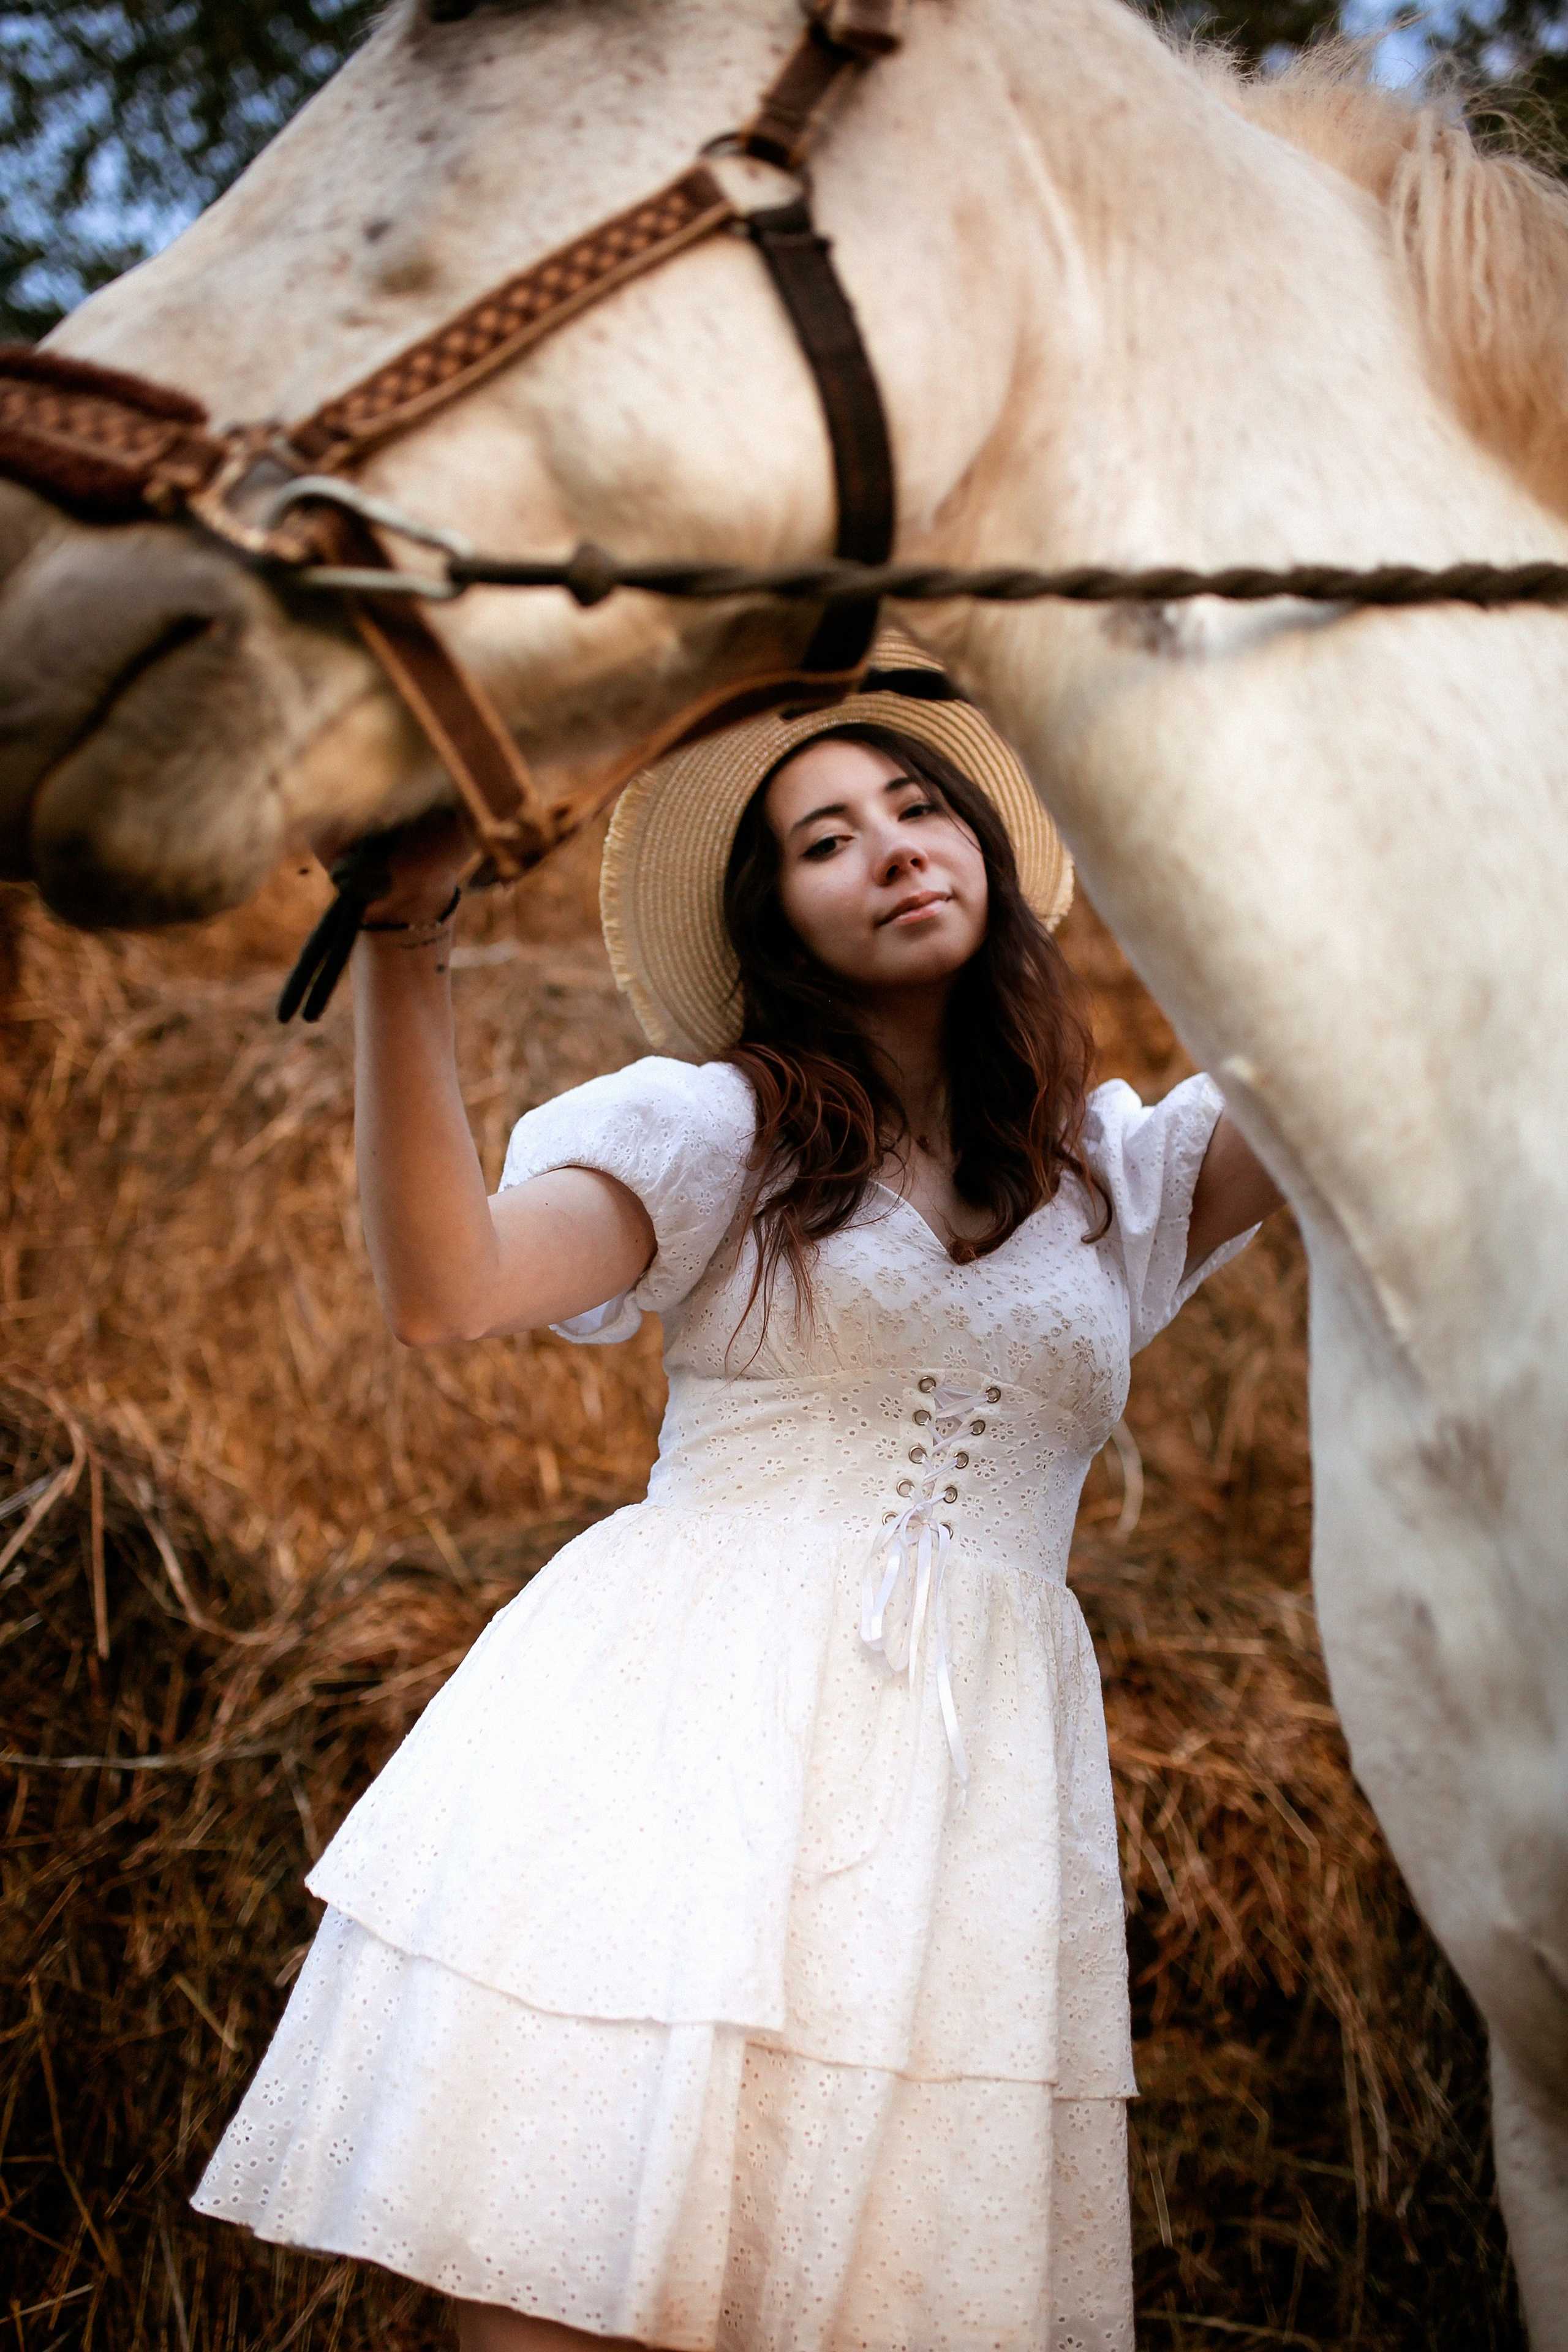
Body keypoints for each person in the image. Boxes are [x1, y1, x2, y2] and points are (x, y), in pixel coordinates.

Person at [194, 632, 1281, 2351]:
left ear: (991, 855)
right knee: (572, 2291)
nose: (893, 847)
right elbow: (448, 1285)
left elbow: (1359, 1021)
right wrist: (407, 942)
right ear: (778, 918)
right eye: (825, 838)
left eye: (920, 807)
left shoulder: (1116, 1180)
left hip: (964, 1798)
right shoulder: (722, 1133)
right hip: (681, 1743)